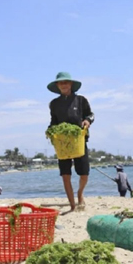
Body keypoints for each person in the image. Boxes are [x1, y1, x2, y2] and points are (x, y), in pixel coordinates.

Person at [47, 71, 95, 213]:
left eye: (66, 82)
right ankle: (72, 205)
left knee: (84, 173)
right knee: (65, 174)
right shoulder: (54, 104)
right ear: (57, 86)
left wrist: (87, 121)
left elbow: (90, 114)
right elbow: (53, 122)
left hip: (79, 140)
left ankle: (80, 193)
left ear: (71, 84)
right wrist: (50, 131)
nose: (64, 85)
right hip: (62, 144)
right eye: (61, 83)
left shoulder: (81, 100)